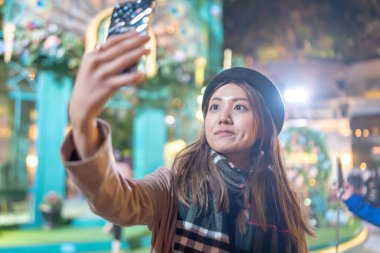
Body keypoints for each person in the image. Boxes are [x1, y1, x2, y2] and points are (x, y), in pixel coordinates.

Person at [60, 31, 314, 252]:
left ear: (264, 128)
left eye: (239, 107)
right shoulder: (174, 186)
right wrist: (83, 123)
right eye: (214, 107)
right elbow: (114, 199)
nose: (223, 117)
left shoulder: (283, 203)